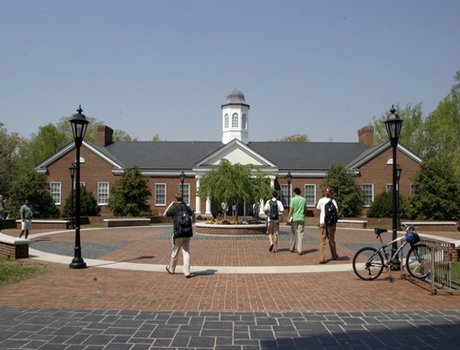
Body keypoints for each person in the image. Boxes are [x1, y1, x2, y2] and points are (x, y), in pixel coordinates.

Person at [163, 193, 194, 278]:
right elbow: (191, 213)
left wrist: (170, 205)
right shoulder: (187, 208)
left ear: (176, 200)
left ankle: (171, 269)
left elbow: (164, 214)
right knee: (186, 252)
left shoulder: (174, 208)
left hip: (178, 233)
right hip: (187, 233)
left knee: (175, 252)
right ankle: (187, 272)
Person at [316, 187, 339, 264]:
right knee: (331, 240)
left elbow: (318, 210)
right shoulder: (333, 201)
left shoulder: (321, 200)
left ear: (325, 192)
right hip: (331, 224)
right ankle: (334, 255)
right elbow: (336, 211)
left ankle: (322, 258)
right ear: (330, 193)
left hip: (322, 222)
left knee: (322, 241)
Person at [287, 187, 307, 255]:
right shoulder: (303, 199)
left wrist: (288, 217)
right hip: (301, 218)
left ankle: (292, 247)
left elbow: (291, 209)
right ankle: (300, 249)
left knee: (293, 233)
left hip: (294, 218)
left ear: (295, 192)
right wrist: (303, 215)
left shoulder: (293, 199)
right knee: (300, 234)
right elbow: (305, 209)